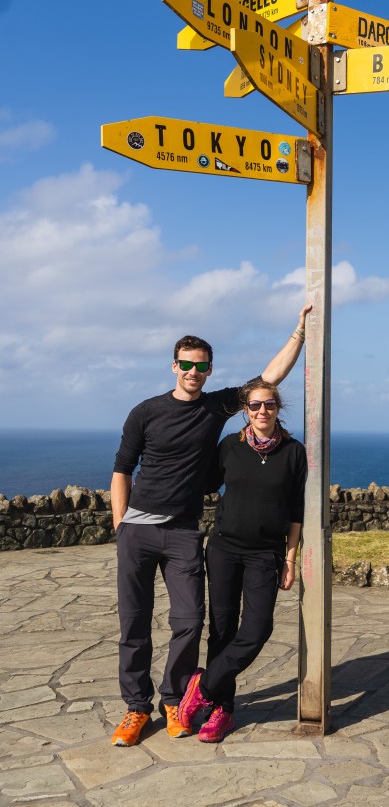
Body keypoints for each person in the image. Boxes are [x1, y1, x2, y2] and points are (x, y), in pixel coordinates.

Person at [110, 306, 310, 748]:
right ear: (174, 366)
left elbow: (268, 379)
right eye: (186, 364)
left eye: (201, 366)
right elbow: (122, 468)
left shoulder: (216, 407)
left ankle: (176, 698)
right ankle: (136, 707)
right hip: (138, 530)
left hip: (184, 532)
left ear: (210, 370)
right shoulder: (145, 411)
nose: (193, 372)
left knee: (189, 621)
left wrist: (299, 332)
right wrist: (121, 526)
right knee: (134, 623)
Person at [177, 378, 307, 742]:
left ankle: (202, 688)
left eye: (269, 404)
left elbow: (296, 510)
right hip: (223, 549)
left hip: (266, 553)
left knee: (257, 630)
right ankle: (222, 711)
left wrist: (290, 559)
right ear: (245, 411)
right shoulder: (229, 447)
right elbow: (203, 483)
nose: (262, 411)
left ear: (278, 408)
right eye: (255, 405)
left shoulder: (294, 452)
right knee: (221, 632)